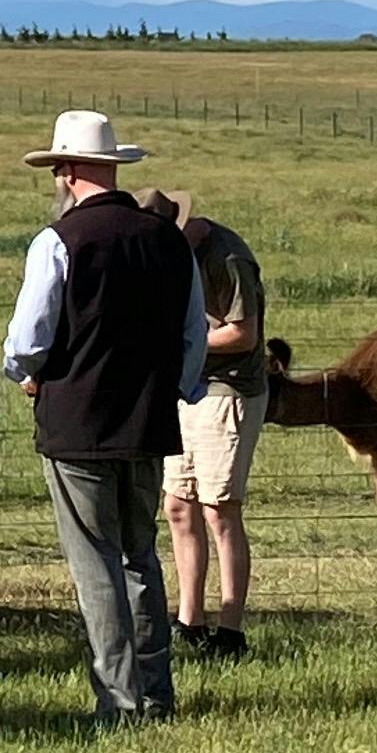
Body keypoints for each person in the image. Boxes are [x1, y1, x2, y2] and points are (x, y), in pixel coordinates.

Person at [1, 110, 207, 725]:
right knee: (140, 557)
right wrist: (176, 387)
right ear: (113, 168)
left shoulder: (57, 242)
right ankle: (157, 694)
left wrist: (27, 374)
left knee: (96, 565)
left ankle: (117, 702)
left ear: (66, 171)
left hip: (75, 426)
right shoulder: (168, 238)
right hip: (147, 423)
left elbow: (26, 339)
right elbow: (192, 334)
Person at [136, 190, 267, 661]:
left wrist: (178, 341)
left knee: (219, 508)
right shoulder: (174, 257)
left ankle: (230, 630)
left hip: (228, 390)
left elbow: (242, 333)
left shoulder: (225, 258)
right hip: (187, 387)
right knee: (178, 504)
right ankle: (189, 621)